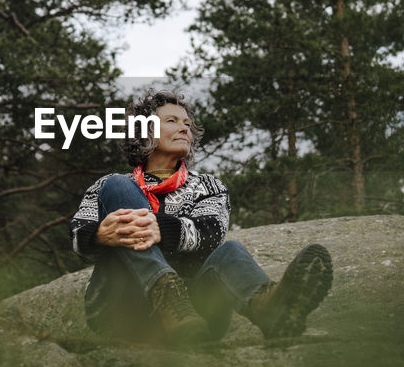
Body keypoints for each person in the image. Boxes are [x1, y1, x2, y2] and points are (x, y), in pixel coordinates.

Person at [69, 88, 332, 344]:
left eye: (187, 123)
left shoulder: (209, 186)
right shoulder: (110, 186)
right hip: (123, 309)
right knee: (118, 186)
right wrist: (99, 236)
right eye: (172, 121)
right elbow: (78, 237)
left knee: (230, 250)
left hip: (195, 315)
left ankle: (269, 308)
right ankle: (166, 296)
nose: (185, 128)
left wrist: (163, 229)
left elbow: (212, 230)